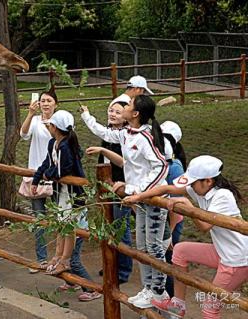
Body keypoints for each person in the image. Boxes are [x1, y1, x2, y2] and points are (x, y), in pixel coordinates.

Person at [124, 155, 248, 319]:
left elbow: (204, 226)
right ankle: (178, 304)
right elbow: (167, 189)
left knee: (210, 307)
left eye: (193, 182)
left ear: (208, 181)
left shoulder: (222, 196)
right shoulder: (202, 189)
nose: (190, 186)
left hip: (237, 260)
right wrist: (139, 196)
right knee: (181, 250)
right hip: (223, 251)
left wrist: (188, 205)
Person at [81, 95, 169, 309]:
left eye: (129, 105)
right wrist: (86, 115)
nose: (125, 107)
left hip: (153, 201)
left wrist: (140, 190)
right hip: (138, 200)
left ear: (136, 114)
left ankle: (158, 291)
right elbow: (104, 132)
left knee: (154, 247)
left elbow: (161, 166)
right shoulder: (126, 133)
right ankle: (148, 288)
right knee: (141, 246)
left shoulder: (145, 137)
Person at [85, 97, 133, 285]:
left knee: (121, 227)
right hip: (106, 186)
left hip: (121, 186)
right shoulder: (109, 133)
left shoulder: (126, 136)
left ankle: (123, 270)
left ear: (126, 116)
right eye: (111, 110)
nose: (112, 114)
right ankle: (111, 263)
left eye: (117, 112)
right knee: (108, 225)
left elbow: (123, 163)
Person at [20, 89, 58, 273]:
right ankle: (41, 258)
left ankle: (60, 258)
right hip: (35, 174)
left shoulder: (61, 121)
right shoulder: (34, 120)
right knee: (39, 218)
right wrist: (30, 114)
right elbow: (23, 134)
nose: (45, 103)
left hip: (56, 175)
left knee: (61, 217)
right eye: (42, 100)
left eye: (49, 100)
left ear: (55, 104)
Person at [160, 120, 187, 297]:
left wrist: (168, 235)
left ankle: (173, 302)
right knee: (158, 264)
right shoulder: (161, 163)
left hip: (171, 224)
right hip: (162, 222)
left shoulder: (175, 167)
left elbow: (177, 207)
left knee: (168, 263)